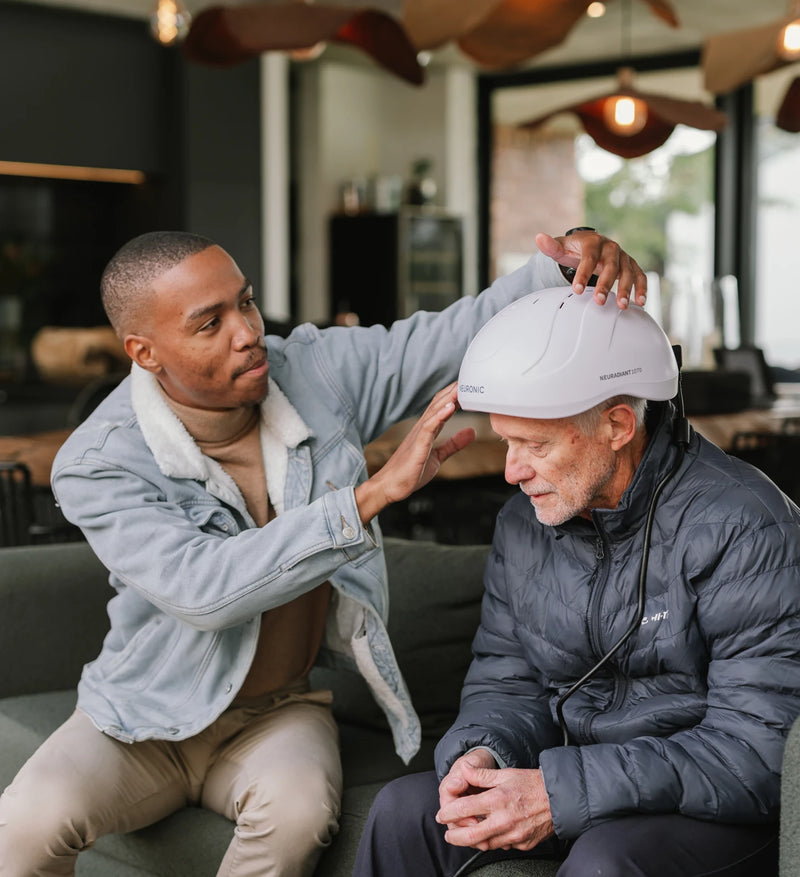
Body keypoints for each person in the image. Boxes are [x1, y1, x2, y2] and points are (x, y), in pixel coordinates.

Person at [0, 228, 644, 877]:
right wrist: (370, 496)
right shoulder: (98, 460)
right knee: (22, 827)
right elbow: (204, 589)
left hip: (278, 712)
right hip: (142, 717)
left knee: (298, 816)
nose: (247, 331)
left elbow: (444, 337)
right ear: (145, 350)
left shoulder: (311, 371)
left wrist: (561, 270)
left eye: (245, 302)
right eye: (210, 323)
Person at [354, 287, 800, 877]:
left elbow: (757, 753)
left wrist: (558, 794)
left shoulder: (746, 526)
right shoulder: (525, 522)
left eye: (534, 445)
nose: (512, 471)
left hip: (708, 810)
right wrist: (482, 752)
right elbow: (506, 680)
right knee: (403, 811)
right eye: (506, 441)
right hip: (575, 781)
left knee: (604, 862)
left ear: (617, 424)